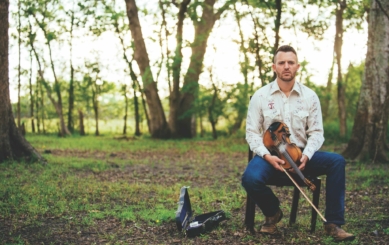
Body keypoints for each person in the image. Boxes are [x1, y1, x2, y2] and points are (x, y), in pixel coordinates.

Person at [241, 45, 355, 242]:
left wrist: (307, 155)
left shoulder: (310, 96)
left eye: (290, 63)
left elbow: (317, 132)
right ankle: (273, 212)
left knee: (337, 161)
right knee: (249, 178)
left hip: (301, 154)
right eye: (282, 63)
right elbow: (251, 133)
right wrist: (267, 156)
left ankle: (333, 224)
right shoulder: (260, 96)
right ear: (274, 67)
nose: (286, 66)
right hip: (271, 155)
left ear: (297, 67)